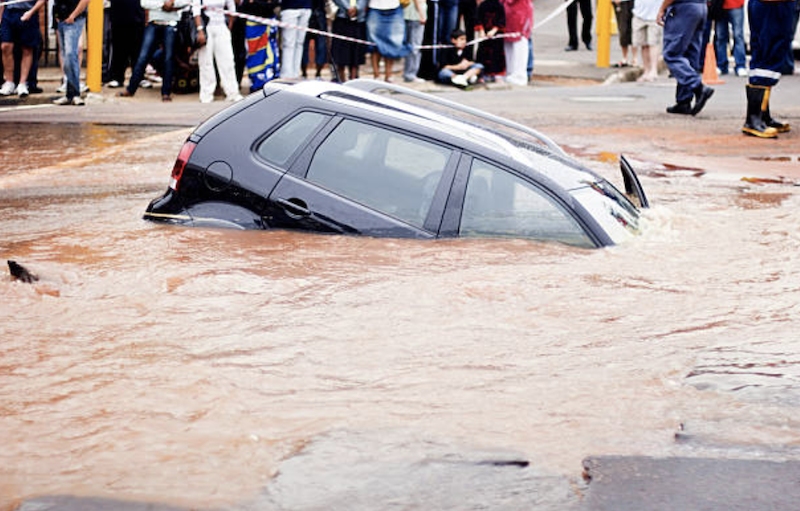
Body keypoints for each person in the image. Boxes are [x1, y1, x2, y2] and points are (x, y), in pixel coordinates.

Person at [119, 0, 193, 101]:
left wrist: (172, 4)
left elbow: (186, 2)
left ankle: (166, 92)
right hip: (154, 23)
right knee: (143, 57)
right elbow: (144, 3)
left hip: (171, 23)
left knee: (168, 58)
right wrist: (164, 5)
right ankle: (131, 89)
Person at [741, 0, 794, 138]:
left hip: (775, 5)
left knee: (768, 54)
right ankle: (754, 119)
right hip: (771, 5)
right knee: (768, 54)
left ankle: (762, 115)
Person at [657, 0, 714, 115]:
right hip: (701, 7)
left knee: (672, 54)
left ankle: (697, 86)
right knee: (691, 54)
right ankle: (684, 100)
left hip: (684, 8)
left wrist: (662, 9)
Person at [192, 0, 244, 102]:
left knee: (227, 61)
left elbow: (231, 9)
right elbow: (196, 11)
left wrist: (229, 26)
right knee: (206, 62)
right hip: (206, 27)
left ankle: (232, 92)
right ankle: (206, 94)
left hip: (221, 27)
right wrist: (200, 30)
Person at [0, 0, 45, 97]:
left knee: (27, 48)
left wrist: (32, 11)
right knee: (5, 46)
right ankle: (9, 81)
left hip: (27, 10)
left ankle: (23, 83)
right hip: (9, 12)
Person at [52, 0, 90, 105]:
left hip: (75, 19)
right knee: (67, 55)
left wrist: (73, 15)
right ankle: (70, 94)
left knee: (70, 54)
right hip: (62, 18)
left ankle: (75, 93)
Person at [240, 0, 281, 90]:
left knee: (270, 55)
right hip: (253, 29)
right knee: (255, 57)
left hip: (269, 25)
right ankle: (256, 83)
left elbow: (273, 5)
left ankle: (270, 81)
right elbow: (245, 6)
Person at [366, 0, 409, 81]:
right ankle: (376, 76)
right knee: (374, 43)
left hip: (394, 7)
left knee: (393, 42)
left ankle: (388, 75)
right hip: (375, 7)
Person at [107, 0, 146, 88]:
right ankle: (117, 78)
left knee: (137, 50)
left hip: (137, 16)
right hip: (118, 17)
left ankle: (139, 77)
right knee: (119, 49)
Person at [330, 0, 367, 81]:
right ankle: (341, 79)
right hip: (341, 15)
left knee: (356, 50)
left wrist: (357, 8)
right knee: (340, 51)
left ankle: (354, 78)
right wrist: (348, 8)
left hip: (359, 18)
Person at [280, 0, 312, 79]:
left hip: (306, 7)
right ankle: (286, 75)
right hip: (289, 8)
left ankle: (295, 74)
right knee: (289, 43)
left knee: (299, 43)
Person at [474, 0, 505, 81]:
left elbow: (502, 20)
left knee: (497, 55)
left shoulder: (499, 5)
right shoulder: (482, 5)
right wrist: (481, 30)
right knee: (482, 54)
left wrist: (494, 30)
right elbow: (478, 18)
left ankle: (497, 74)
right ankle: (482, 74)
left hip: (496, 37)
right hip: (484, 35)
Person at [502, 0, 531, 85]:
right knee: (508, 42)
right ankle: (510, 71)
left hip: (520, 11)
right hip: (507, 10)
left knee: (519, 43)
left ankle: (519, 75)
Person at [713, 0, 746, 77]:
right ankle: (722, 65)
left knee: (737, 36)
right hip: (721, 5)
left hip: (735, 4)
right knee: (721, 37)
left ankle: (740, 65)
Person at [632, 0, 661, 81]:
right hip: (639, 14)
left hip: (654, 15)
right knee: (643, 44)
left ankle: (653, 70)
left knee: (653, 43)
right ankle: (646, 70)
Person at [301, 0, 329, 79]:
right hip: (305, 11)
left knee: (321, 47)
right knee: (302, 45)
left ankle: (318, 74)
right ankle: (303, 73)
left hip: (320, 13)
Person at [402, 0, 427, 82]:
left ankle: (408, 73)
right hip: (416, 15)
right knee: (415, 47)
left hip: (408, 13)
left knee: (410, 46)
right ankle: (410, 74)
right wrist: (421, 14)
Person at [612, 0, 636, 67]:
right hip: (620, 2)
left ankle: (634, 58)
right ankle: (625, 57)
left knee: (634, 28)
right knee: (623, 29)